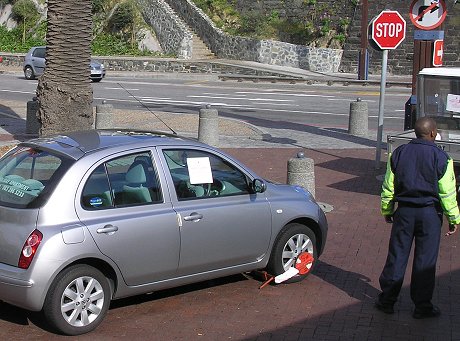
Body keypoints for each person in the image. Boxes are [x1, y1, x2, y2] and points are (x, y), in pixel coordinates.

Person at [376, 116, 460, 319]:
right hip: (430, 214)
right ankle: (422, 306)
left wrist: (387, 210)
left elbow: (388, 187)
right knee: (425, 260)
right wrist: (453, 219)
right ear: (432, 133)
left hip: (404, 212)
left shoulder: (399, 153)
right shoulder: (442, 158)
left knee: (397, 255)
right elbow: (447, 193)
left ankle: (387, 300)